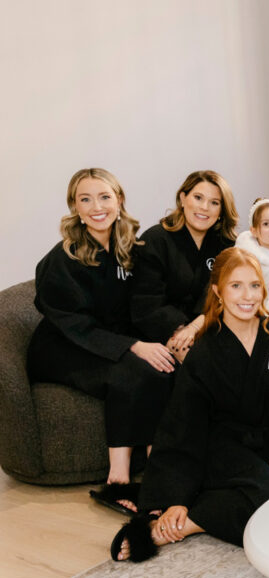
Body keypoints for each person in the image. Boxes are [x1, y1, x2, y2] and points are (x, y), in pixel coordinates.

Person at [110, 248, 269, 562]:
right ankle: (182, 515)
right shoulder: (205, 352)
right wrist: (175, 497)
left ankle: (190, 524)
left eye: (254, 285)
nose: (247, 296)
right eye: (235, 286)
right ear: (218, 291)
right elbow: (183, 427)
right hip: (224, 454)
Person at [28, 168, 174, 514]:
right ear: (74, 208)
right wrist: (133, 347)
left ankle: (158, 474)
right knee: (129, 374)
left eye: (105, 197)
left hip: (110, 339)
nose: (97, 206)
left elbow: (138, 308)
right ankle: (118, 480)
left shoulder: (129, 250)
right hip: (63, 346)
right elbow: (73, 323)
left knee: (163, 368)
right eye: (85, 199)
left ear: (119, 201)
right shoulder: (62, 259)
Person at [131, 170, 238, 363]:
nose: (204, 207)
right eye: (198, 198)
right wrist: (181, 331)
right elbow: (146, 301)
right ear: (183, 198)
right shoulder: (155, 239)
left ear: (222, 210)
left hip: (212, 325)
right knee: (192, 355)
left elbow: (226, 297)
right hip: (166, 330)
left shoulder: (227, 245)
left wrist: (196, 327)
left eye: (214, 202)